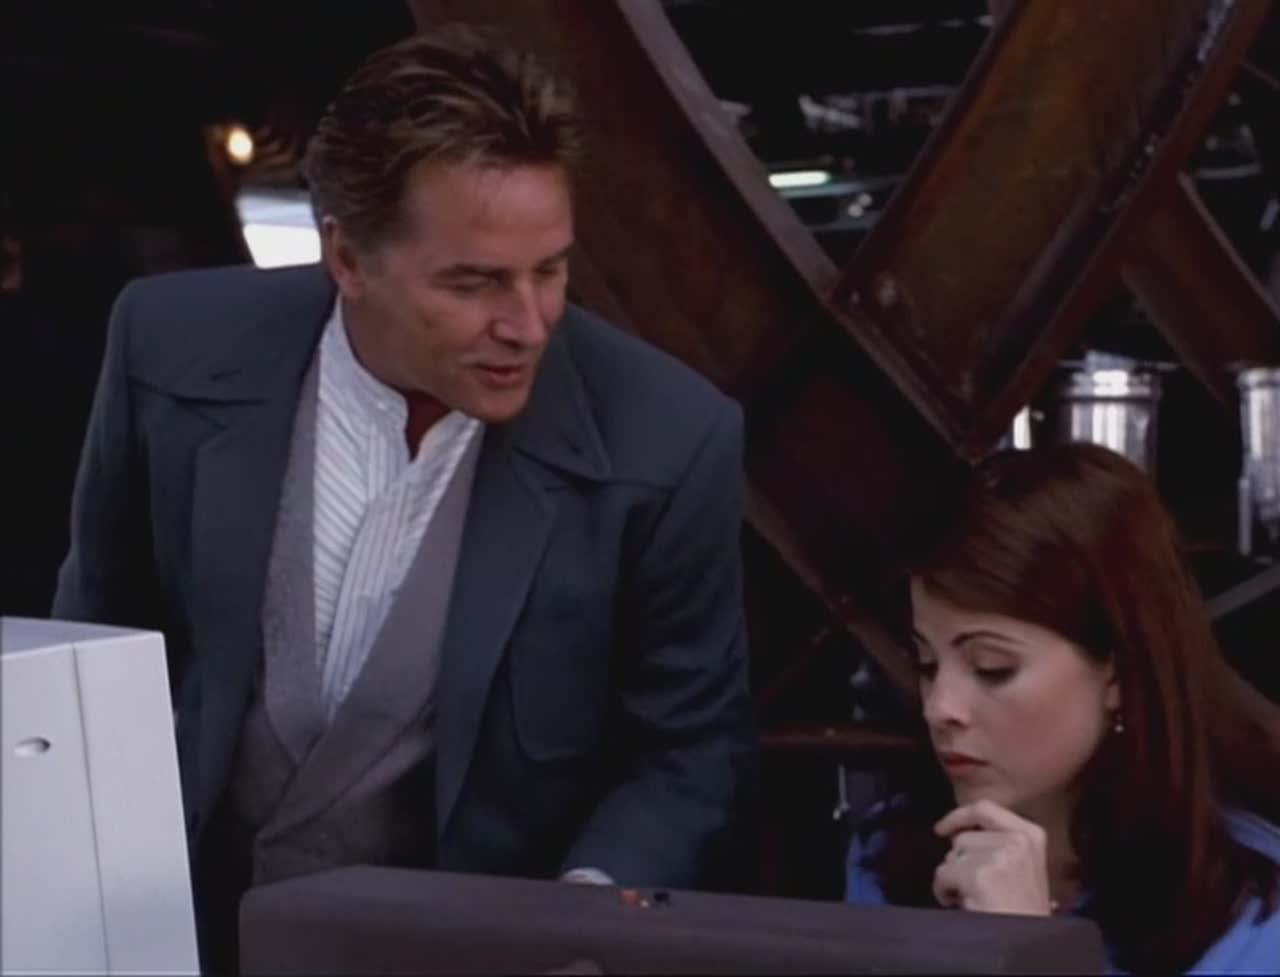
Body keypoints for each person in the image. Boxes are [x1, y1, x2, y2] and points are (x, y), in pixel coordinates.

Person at [53, 25, 755, 971]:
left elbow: (688, 752)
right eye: (475, 282)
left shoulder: (668, 438)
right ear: (346, 257)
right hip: (178, 941)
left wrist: (583, 919)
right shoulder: (166, 347)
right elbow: (92, 651)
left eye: (550, 270)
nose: (528, 323)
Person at [844, 443, 1280, 974]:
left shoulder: (1249, 911)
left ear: (1117, 674)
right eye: (928, 664)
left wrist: (1033, 949)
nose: (940, 709)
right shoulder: (889, 854)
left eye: (992, 668)